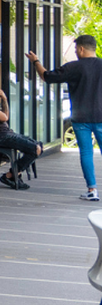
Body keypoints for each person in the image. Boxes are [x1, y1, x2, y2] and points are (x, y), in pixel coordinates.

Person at [28, 35, 102, 201]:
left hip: (80, 118)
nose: (75, 52)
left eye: (76, 49)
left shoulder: (73, 67)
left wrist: (35, 61)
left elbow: (46, 77)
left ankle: (92, 190)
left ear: (81, 49)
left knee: (86, 153)